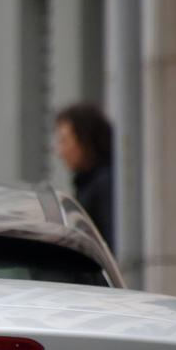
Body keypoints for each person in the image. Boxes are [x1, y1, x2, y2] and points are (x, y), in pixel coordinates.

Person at [54, 102, 115, 247]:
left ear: (85, 140)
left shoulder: (104, 185)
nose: (60, 152)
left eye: (65, 141)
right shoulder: (88, 183)